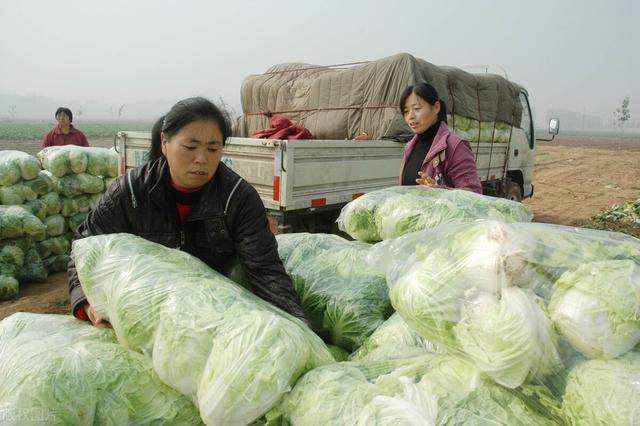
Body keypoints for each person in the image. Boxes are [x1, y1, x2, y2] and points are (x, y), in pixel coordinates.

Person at [68, 96, 306, 327]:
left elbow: (265, 271)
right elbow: (86, 246)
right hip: (144, 310)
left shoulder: (238, 199)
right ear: (164, 143)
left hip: (212, 315)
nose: (201, 159)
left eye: (213, 149)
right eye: (190, 147)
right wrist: (85, 301)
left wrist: (299, 328)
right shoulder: (131, 192)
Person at [399, 82, 482, 193]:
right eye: (406, 111)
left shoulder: (455, 145)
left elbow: (474, 193)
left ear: (436, 107)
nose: (411, 116)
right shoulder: (410, 147)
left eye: (417, 108)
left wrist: (439, 192)